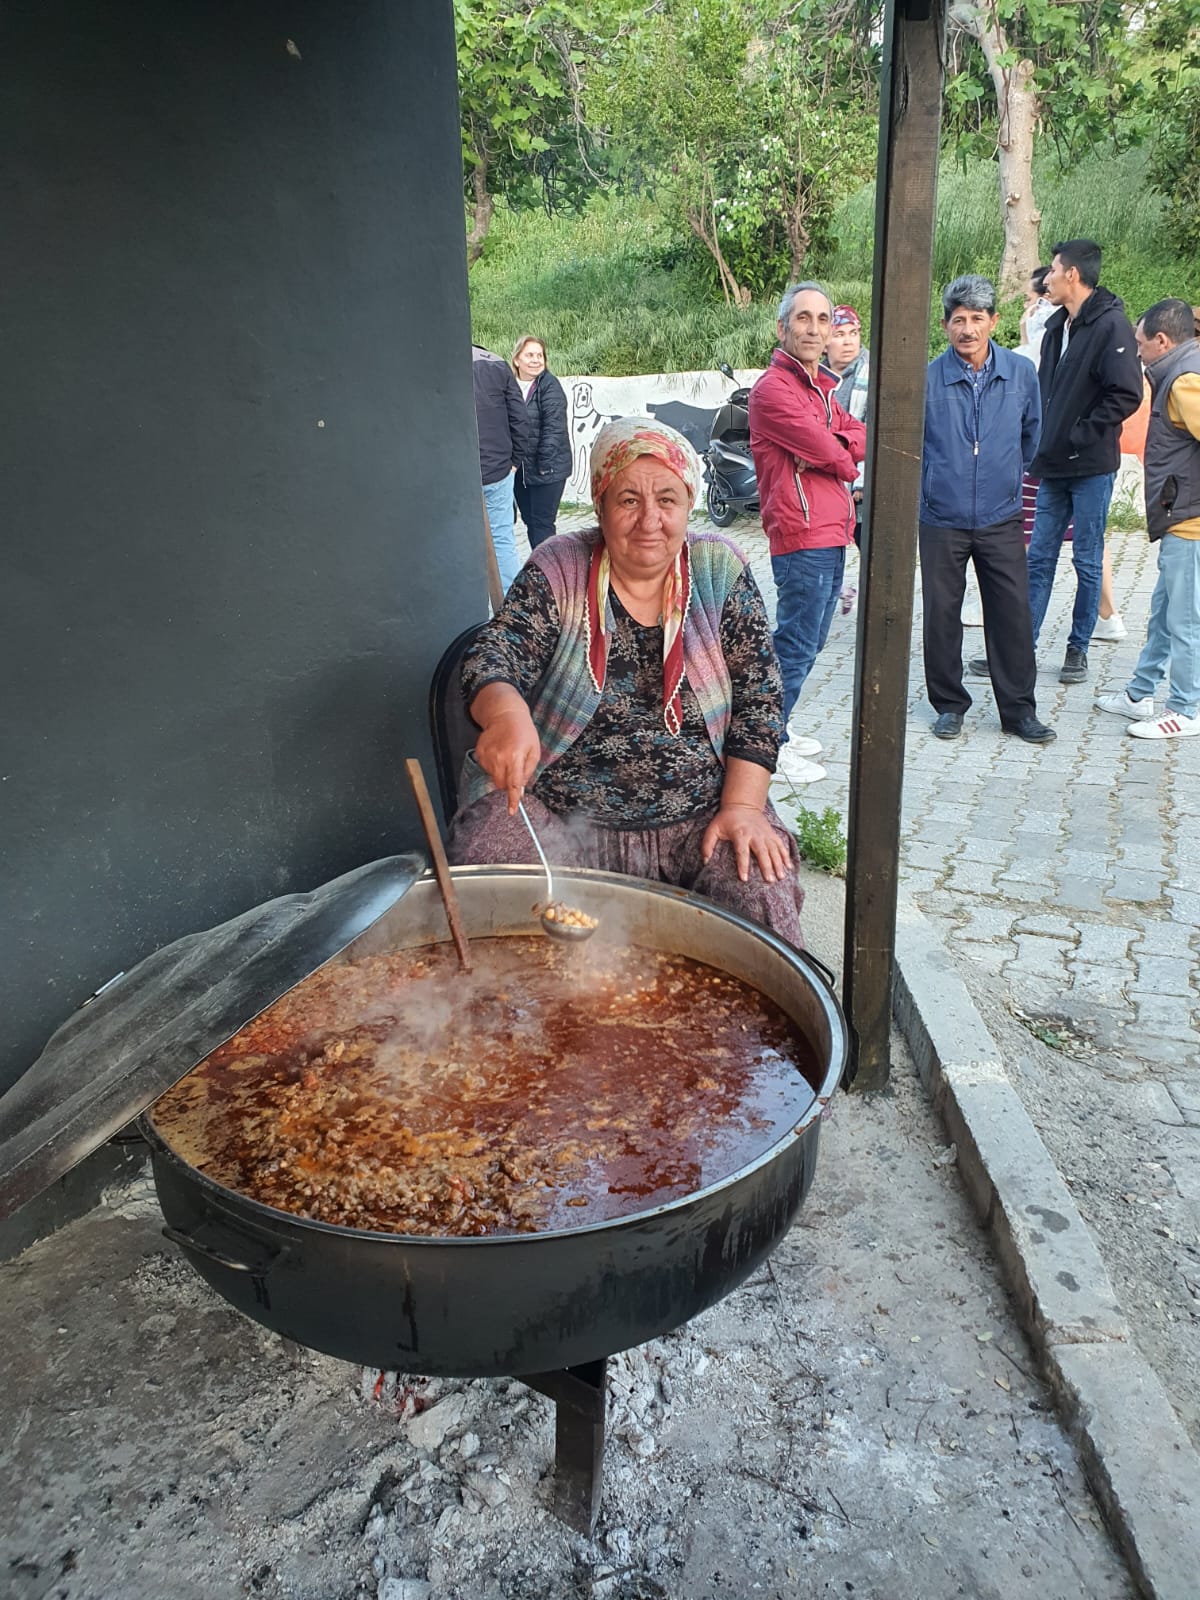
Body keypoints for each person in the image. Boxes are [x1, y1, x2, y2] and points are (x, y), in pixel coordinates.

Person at [446, 418, 806, 947]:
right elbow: (495, 652)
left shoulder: (719, 570)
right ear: (599, 504)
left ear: (689, 505)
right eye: (628, 500)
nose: (650, 521)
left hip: (700, 816)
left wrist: (744, 809)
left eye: (667, 499)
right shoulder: (560, 565)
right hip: (558, 818)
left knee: (759, 882)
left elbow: (761, 699)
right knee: (490, 893)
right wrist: (505, 715)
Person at [918, 275, 1055, 745]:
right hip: (941, 517)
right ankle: (949, 705)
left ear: (994, 322)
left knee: (1012, 615)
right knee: (941, 614)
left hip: (1001, 515)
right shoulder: (928, 378)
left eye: (978, 319)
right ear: (945, 325)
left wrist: (1005, 479)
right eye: (959, 320)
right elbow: (912, 446)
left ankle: (1018, 711)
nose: (968, 329)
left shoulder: (1020, 373)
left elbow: (1031, 436)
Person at [748, 282, 866, 785]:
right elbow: (841, 458)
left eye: (823, 319)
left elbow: (854, 439)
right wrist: (833, 452)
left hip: (830, 530)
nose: (815, 329)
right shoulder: (774, 390)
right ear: (783, 328)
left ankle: (780, 725)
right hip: (802, 533)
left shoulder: (819, 387)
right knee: (795, 645)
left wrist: (831, 449)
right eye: (804, 318)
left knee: (810, 641)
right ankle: (763, 744)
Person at [1023, 239, 1143, 685]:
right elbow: (1044, 387)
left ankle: (1078, 649)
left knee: (1088, 560)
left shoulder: (1111, 326)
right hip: (1051, 463)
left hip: (1091, 466)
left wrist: (1080, 434)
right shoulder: (1057, 325)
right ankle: (1023, 647)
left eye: (1053, 271)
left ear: (1072, 274)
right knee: (1038, 559)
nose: (1046, 279)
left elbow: (1126, 393)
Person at [1095, 298, 1200, 740]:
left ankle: (1186, 708)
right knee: (1162, 612)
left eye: (1140, 345)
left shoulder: (1185, 380)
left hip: (1191, 522)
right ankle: (1141, 692)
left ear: (1162, 340)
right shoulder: (1181, 369)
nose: (1136, 354)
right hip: (1179, 519)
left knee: (1184, 619)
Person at [472, 343, 536, 593]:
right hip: (497, 470)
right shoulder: (496, 363)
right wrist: (513, 461)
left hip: (457, 475)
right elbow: (520, 419)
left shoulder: (436, 362)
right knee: (502, 540)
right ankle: (510, 607)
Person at [511, 335, 571, 550]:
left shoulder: (549, 386)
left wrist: (543, 465)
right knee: (531, 523)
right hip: (520, 470)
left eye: (540, 355)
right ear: (517, 360)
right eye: (530, 355)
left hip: (547, 469)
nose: (536, 360)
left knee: (543, 525)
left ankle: (550, 575)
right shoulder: (510, 386)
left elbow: (554, 429)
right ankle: (539, 568)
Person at [823, 304, 869, 549]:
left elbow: (871, 428)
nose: (848, 341)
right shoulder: (816, 377)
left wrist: (860, 480)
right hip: (824, 480)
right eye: (839, 334)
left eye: (854, 333)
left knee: (870, 547)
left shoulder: (871, 373)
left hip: (860, 485)